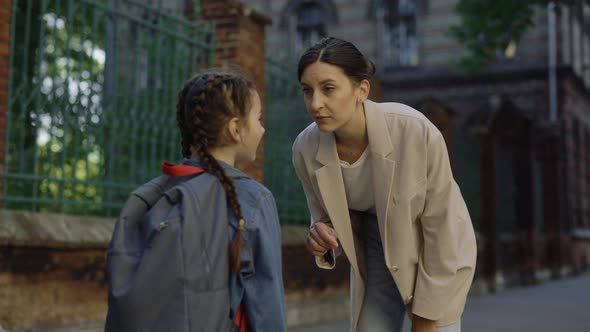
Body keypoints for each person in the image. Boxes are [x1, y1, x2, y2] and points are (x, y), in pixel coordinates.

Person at [292, 37, 477, 332]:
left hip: (438, 255)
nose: (315, 103)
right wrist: (320, 234)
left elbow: (442, 229)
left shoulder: (414, 130)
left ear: (361, 90)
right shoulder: (306, 147)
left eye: (328, 89)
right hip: (377, 255)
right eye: (307, 90)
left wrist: (426, 318)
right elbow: (324, 217)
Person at [176, 71, 286, 331]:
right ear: (236, 129)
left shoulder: (157, 192)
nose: (263, 128)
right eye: (258, 118)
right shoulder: (254, 198)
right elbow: (267, 305)